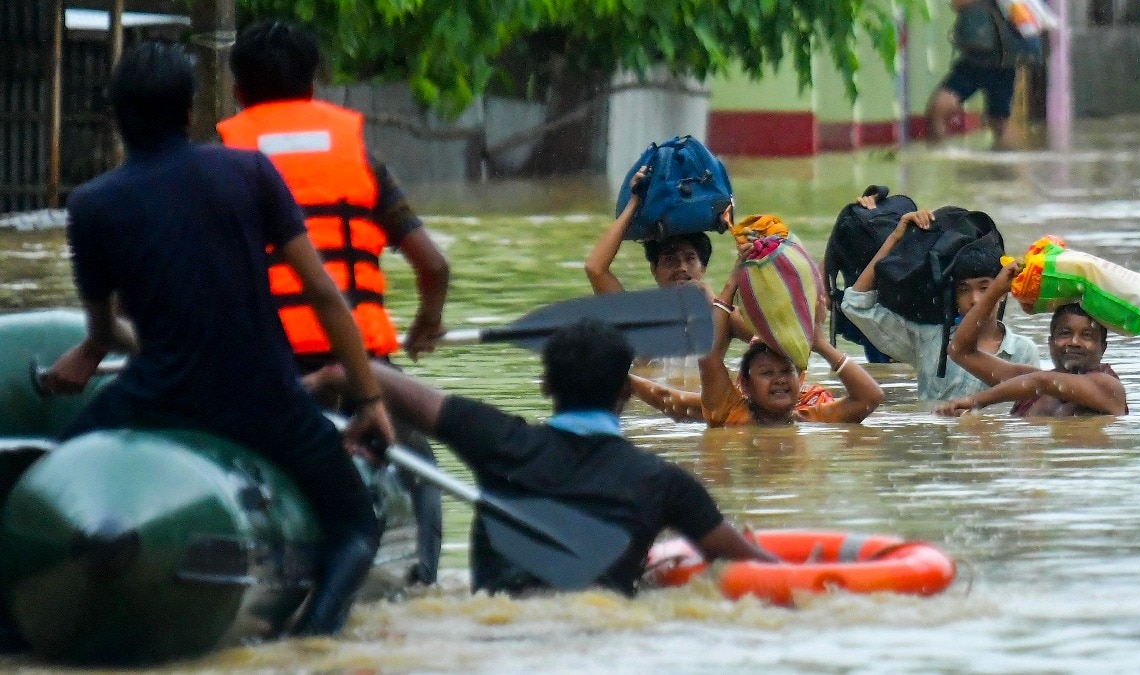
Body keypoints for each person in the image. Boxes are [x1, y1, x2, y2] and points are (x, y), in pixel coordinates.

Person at [41, 42, 392, 635]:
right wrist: (370, 399)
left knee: (45, 484)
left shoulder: (91, 205)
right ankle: (312, 643)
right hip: (265, 400)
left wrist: (84, 356)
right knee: (357, 524)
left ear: (116, 116)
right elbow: (326, 296)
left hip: (159, 398)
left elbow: (105, 334)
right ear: (190, 110)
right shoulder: (249, 171)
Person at [307, 319, 778, 596]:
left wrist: (323, 384)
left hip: (498, 627)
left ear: (546, 386)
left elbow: (360, 372)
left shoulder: (496, 439)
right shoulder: (665, 483)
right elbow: (749, 565)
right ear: (625, 393)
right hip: (599, 633)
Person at [221, 20, 450, 585]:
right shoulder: (362, 162)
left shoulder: (218, 164)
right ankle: (418, 578)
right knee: (419, 466)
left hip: (259, 374)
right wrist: (426, 323)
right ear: (314, 85)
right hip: (360, 373)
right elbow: (435, 266)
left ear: (237, 91)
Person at [632, 254, 883, 426]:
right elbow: (708, 361)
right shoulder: (730, 412)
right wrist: (731, 284)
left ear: (800, 377)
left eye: (787, 371)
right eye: (766, 373)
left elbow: (871, 398)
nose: (780, 379)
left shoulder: (811, 416)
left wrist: (820, 344)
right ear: (745, 385)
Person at [839, 206, 1041, 401]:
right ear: (953, 297)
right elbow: (856, 305)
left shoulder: (1023, 351)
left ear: (1003, 292)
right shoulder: (930, 340)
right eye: (964, 290)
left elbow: (1032, 412)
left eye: (985, 288)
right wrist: (895, 238)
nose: (975, 300)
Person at [585, 165, 755, 342]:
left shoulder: (724, 315)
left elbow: (774, 347)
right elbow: (595, 269)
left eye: (690, 259)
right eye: (670, 260)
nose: (681, 268)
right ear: (653, 269)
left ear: (703, 267)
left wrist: (716, 303)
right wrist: (635, 201)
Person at [935, 262, 1128, 417]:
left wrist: (976, 401)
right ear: (1050, 342)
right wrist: (997, 290)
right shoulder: (1026, 384)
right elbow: (960, 351)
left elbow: (1042, 382)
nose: (1074, 342)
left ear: (1103, 347)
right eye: (1065, 334)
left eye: (1086, 336)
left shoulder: (1108, 387)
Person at [927, 0, 1019, 150]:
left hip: (982, 55)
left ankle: (939, 156)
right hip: (1006, 54)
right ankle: (1009, 168)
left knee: (939, 107)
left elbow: (957, 4)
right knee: (1000, 122)